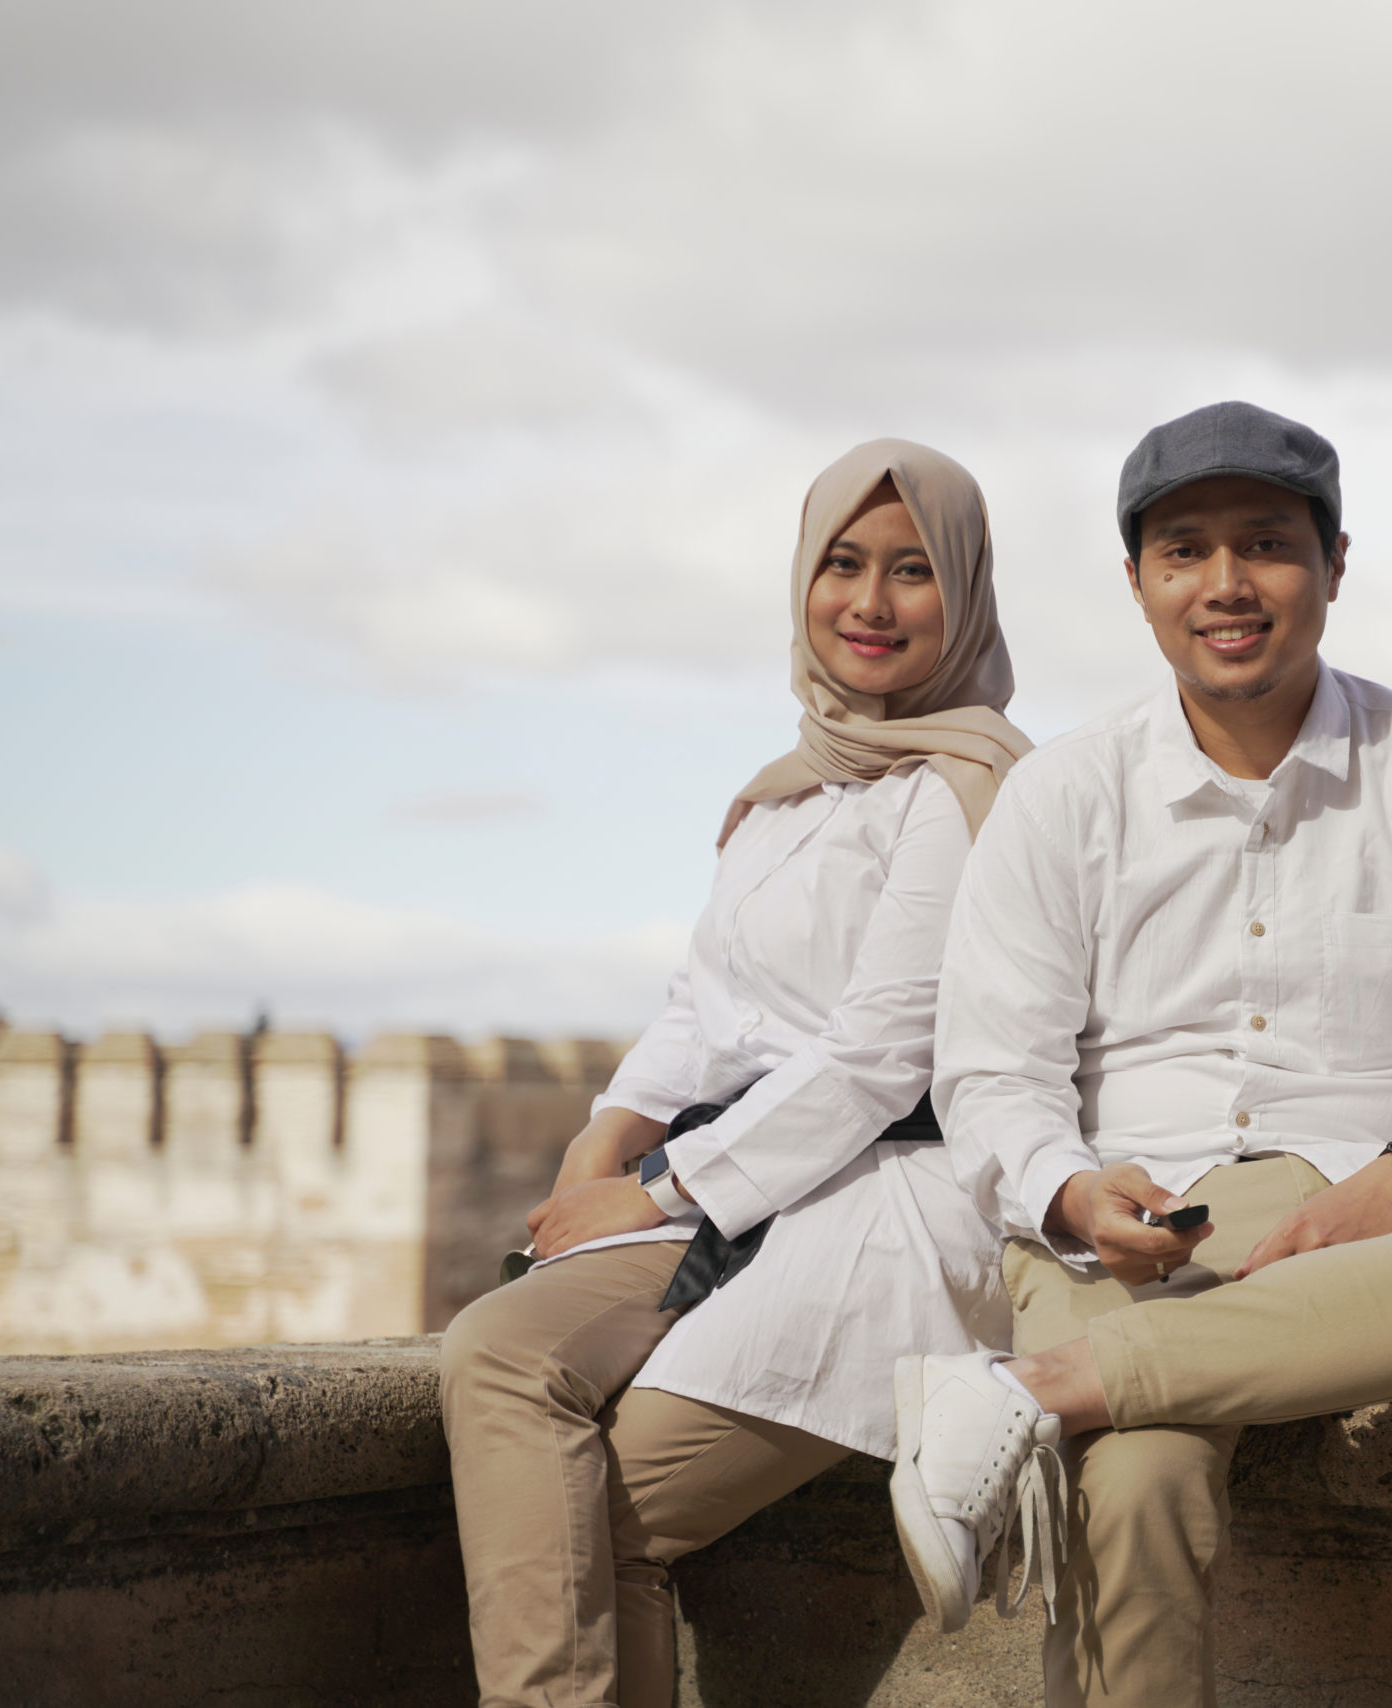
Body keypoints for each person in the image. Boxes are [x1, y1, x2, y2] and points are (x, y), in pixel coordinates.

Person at [890, 402, 1392, 1706]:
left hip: (1373, 1223)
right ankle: (1076, 1382)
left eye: (1266, 545)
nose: (1226, 585)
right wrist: (1071, 1191)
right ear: (1137, 585)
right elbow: (992, 1073)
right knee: (1137, 1475)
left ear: (1335, 564)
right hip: (1131, 1224)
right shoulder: (1066, 792)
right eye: (1184, 550)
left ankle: (1025, 1391)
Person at [438, 440, 1033, 1708]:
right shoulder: (786, 794)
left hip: (874, 1200)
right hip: (738, 1183)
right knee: (525, 1400)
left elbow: (880, 1054)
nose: (867, 603)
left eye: (912, 570)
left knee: (579, 1472)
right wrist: (605, 1134)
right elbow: (707, 1004)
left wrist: (655, 1194)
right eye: (841, 564)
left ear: (966, 589)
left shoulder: (965, 787)